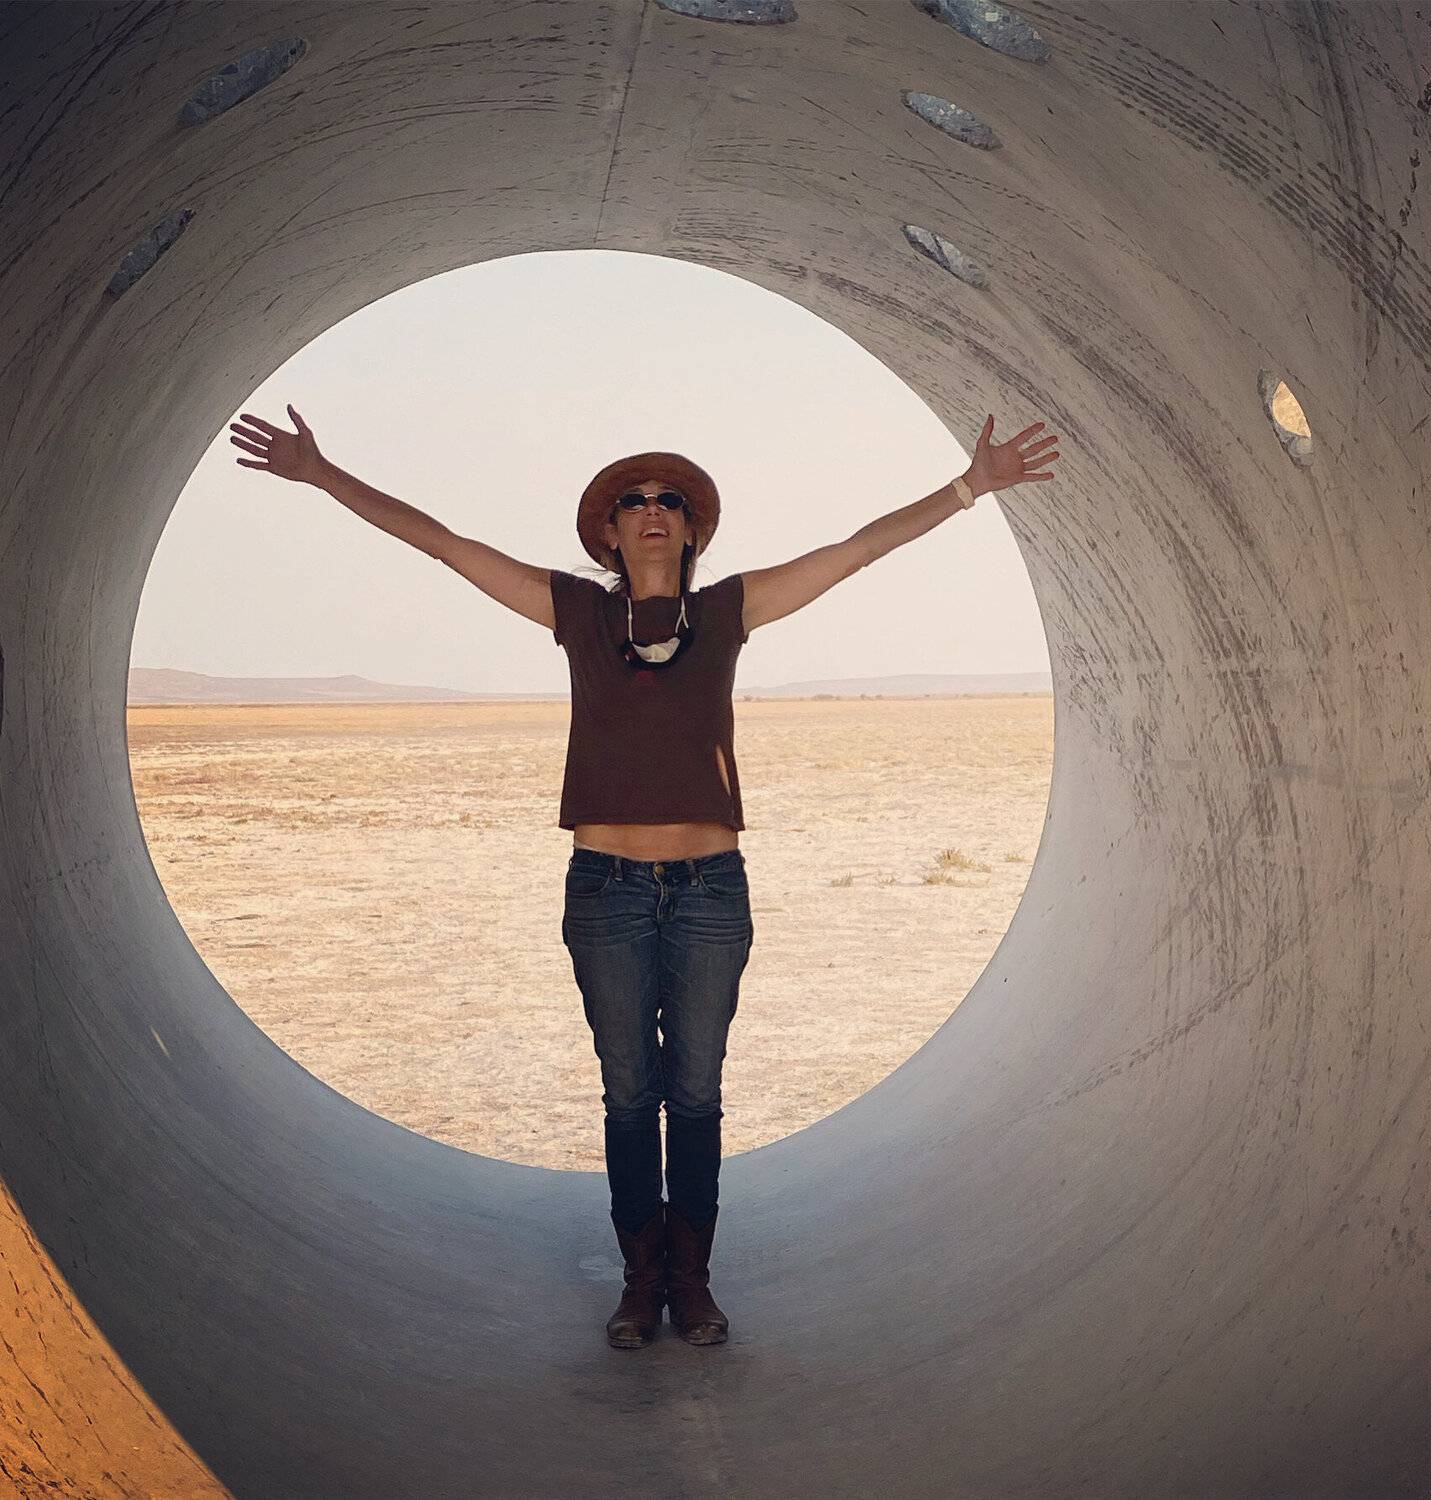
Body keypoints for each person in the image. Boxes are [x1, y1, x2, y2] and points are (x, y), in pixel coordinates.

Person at [228, 401, 1062, 1349]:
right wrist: (322, 474)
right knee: (629, 1095)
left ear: (692, 531)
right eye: (633, 501)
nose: (652, 510)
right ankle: (639, 1284)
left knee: (696, 1094)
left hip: (710, 892)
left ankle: (692, 1283)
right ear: (611, 535)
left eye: (669, 500)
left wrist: (970, 487)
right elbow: (446, 544)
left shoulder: (728, 611)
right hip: (607, 891)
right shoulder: (579, 612)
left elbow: (856, 550)